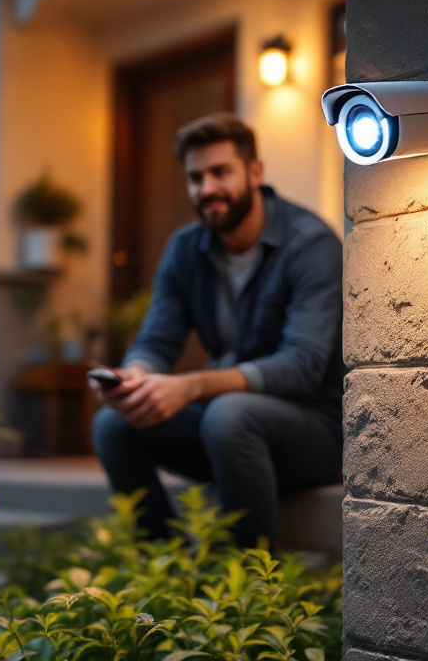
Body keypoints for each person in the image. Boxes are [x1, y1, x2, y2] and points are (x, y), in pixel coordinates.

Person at [90, 112, 344, 550]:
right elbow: (156, 340)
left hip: (315, 431)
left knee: (228, 414)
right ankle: (163, 567)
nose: (207, 189)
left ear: (255, 172)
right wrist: (134, 376)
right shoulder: (185, 249)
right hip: (229, 434)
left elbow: (303, 365)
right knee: (114, 424)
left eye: (220, 172)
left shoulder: (311, 244)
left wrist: (191, 387)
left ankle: (243, 586)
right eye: (195, 177)